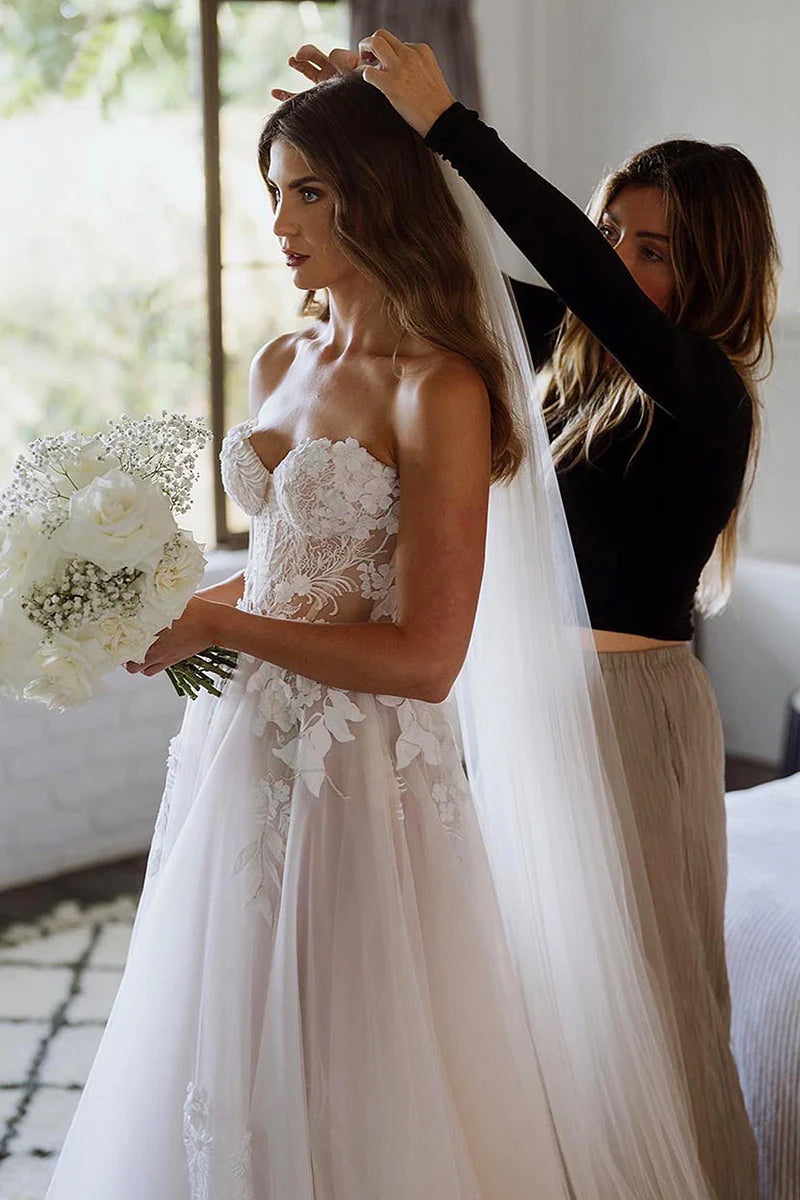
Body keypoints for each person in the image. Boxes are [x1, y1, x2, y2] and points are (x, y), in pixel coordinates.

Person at [46, 74, 715, 1200]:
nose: (280, 226)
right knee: (222, 1032)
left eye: (309, 192)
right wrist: (152, 594)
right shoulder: (277, 363)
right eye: (272, 192)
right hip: (237, 751)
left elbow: (423, 657)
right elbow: (284, 567)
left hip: (359, 773)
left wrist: (215, 619)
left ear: (377, 197)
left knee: (350, 1055)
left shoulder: (437, 389)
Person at [280, 33, 781, 1200]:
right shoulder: (564, 358)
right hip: (524, 716)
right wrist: (360, 143)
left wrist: (450, 124)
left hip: (629, 721)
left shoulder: (704, 388)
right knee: (541, 1004)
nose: (613, 262)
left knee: (656, 1011)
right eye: (612, 233)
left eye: (649, 249)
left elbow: (561, 263)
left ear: (708, 271)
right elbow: (433, 258)